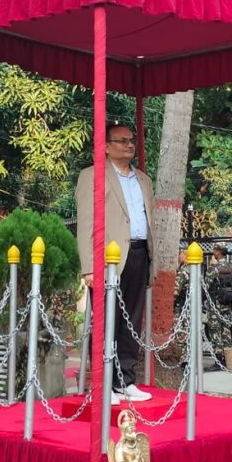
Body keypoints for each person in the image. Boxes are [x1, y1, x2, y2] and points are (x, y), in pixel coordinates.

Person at [76, 123, 156, 403]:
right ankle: (102, 384)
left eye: (131, 140)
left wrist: (153, 260)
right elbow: (86, 223)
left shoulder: (143, 180)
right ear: (106, 146)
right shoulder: (92, 176)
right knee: (106, 320)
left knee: (131, 319)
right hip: (108, 259)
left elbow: (149, 221)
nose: (129, 145)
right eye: (122, 141)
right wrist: (89, 266)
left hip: (139, 253)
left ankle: (125, 381)